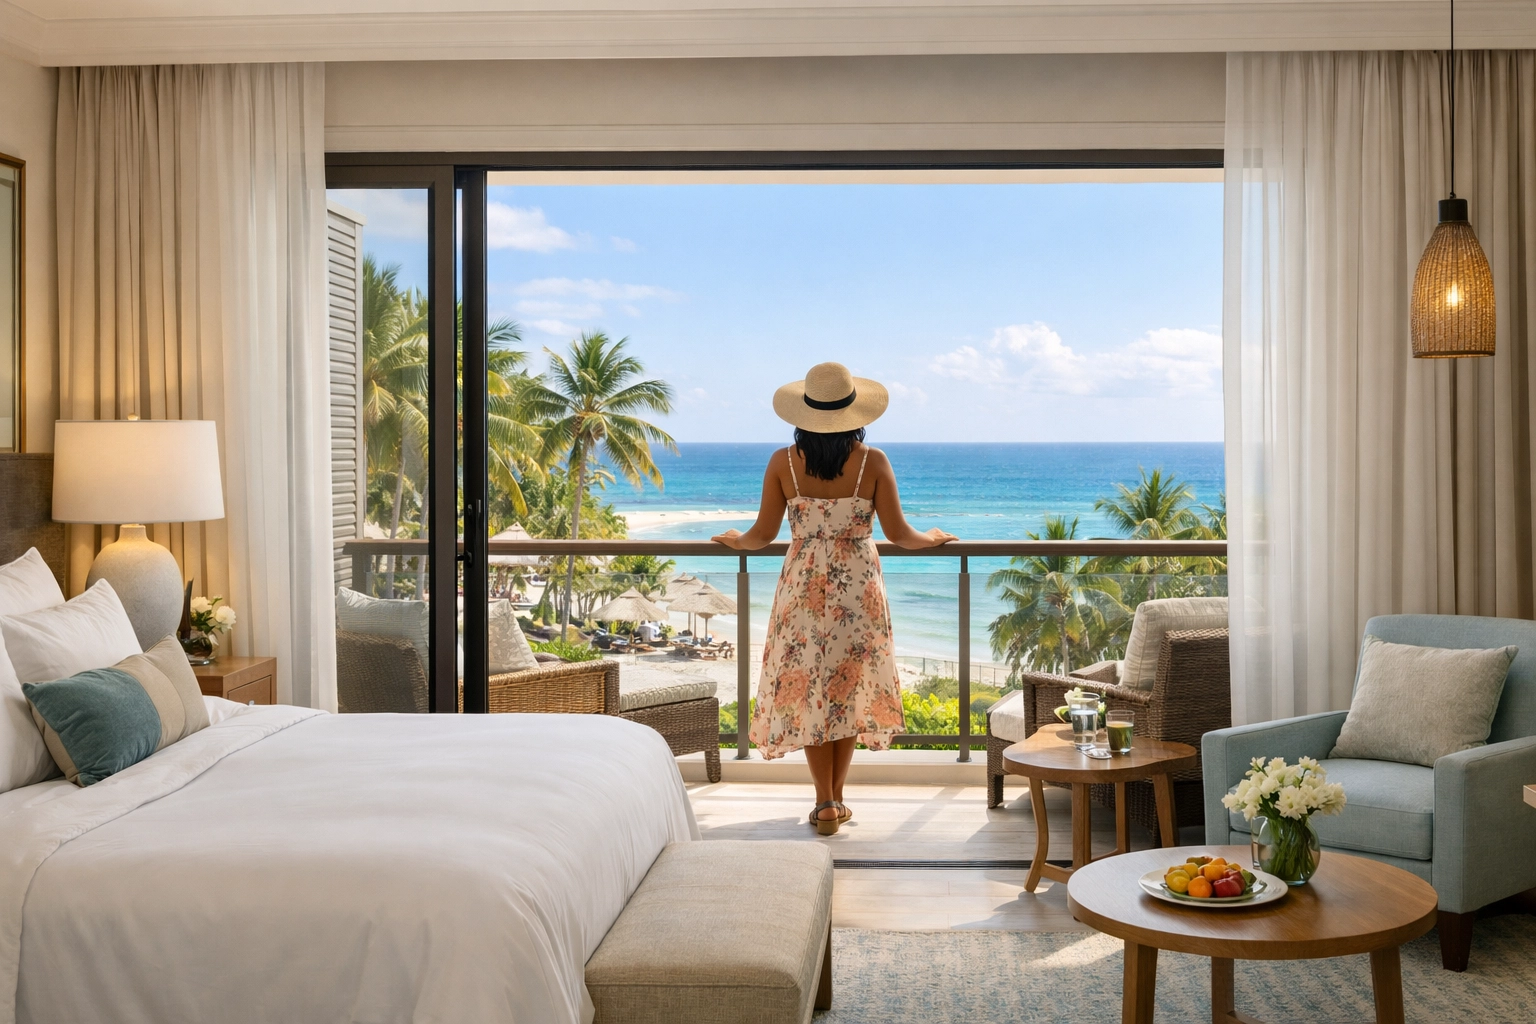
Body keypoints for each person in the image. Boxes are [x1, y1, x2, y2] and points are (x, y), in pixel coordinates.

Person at [712, 362, 955, 835]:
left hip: (801, 587)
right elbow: (899, 533)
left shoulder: (783, 462)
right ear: (854, 412)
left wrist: (735, 541)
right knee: (847, 689)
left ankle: (825, 801)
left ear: (804, 413)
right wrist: (933, 538)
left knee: (810, 690)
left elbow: (762, 534)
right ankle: (835, 801)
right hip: (857, 589)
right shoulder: (873, 461)